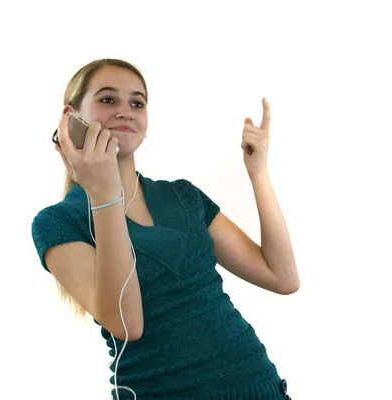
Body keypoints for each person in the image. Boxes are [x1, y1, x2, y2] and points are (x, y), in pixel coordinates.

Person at [31, 58, 299, 399]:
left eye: (137, 102)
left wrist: (258, 171)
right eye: (108, 99)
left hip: (259, 388)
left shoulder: (183, 196)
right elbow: (128, 325)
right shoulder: (58, 223)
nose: (126, 111)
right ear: (70, 118)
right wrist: (104, 193)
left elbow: (283, 278)